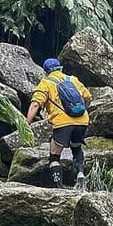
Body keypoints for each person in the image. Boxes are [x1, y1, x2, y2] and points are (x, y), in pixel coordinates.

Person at [26, 58, 92, 189]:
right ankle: (80, 172)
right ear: (60, 68)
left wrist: (27, 123)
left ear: (45, 72)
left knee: (54, 156)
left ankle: (60, 187)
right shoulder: (72, 79)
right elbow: (88, 97)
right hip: (82, 120)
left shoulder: (45, 83)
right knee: (76, 148)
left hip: (62, 123)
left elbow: (35, 104)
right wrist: (80, 112)